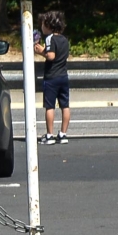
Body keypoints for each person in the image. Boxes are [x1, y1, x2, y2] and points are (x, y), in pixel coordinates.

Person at [38, 10, 71, 144]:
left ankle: (50, 135)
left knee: (50, 106)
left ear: (49, 26)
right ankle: (63, 134)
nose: (41, 27)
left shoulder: (49, 38)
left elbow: (51, 56)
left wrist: (42, 52)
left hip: (52, 77)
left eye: (43, 24)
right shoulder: (64, 39)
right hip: (63, 75)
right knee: (65, 105)